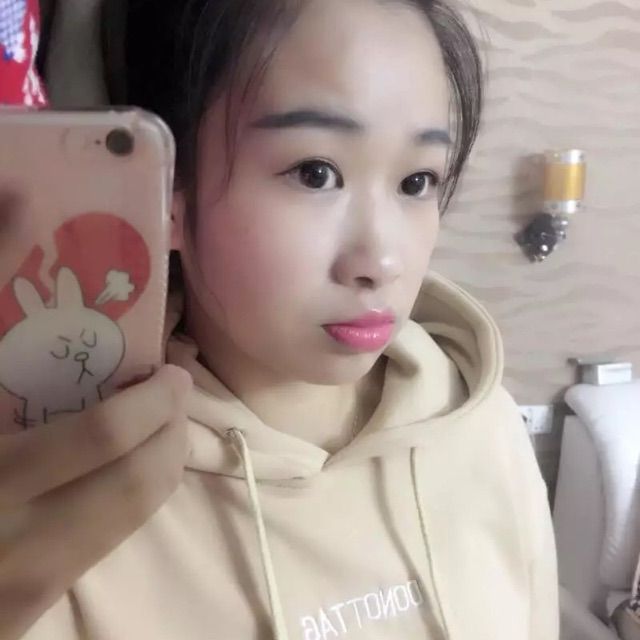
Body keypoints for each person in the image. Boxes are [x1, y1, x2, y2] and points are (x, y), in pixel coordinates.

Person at [1, 0, 559, 638]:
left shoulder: (485, 429)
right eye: (315, 174)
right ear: (166, 197)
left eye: (417, 182)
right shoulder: (78, 494)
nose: (381, 261)